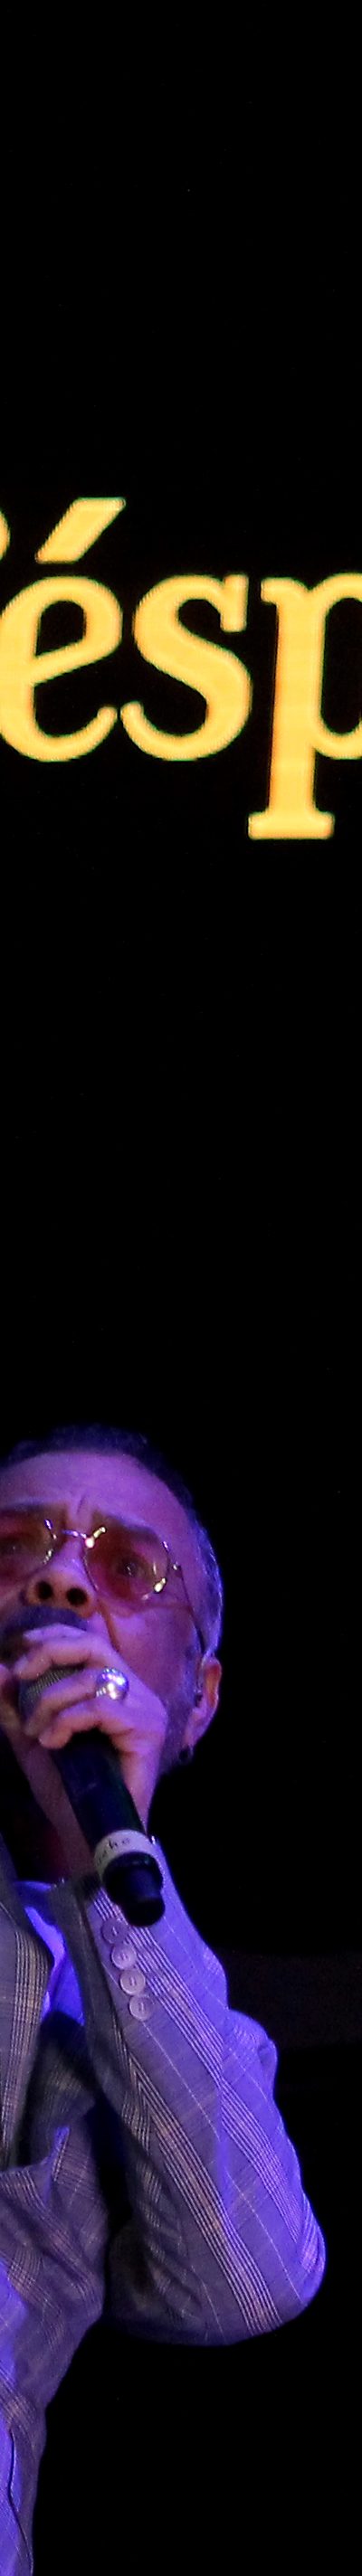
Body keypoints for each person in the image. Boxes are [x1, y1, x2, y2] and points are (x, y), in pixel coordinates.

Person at [0, 1422, 327, 2573]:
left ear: (198, 1699)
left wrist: (98, 1863)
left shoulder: (170, 2009)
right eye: (13, 1545)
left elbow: (250, 2278)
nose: (58, 1577)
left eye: (129, 1567)